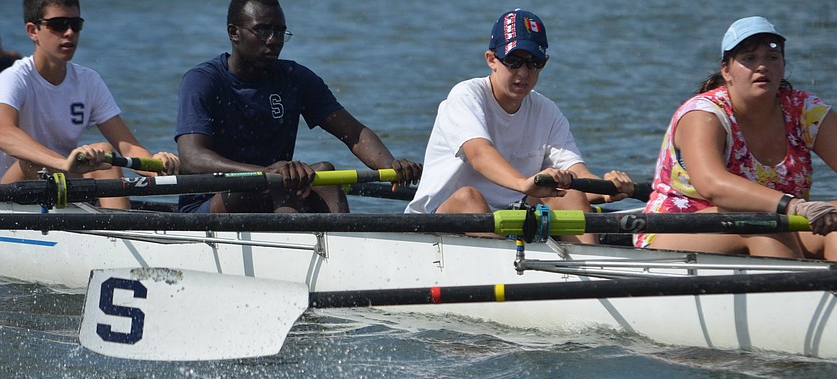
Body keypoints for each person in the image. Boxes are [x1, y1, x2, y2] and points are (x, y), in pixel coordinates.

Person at [404, 9, 633, 243]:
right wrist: (524, 184)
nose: (523, 73)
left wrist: (606, 189)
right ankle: (505, 261)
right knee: (469, 198)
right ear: (491, 60)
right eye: (513, 61)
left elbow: (577, 173)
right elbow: (479, 154)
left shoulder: (547, 111)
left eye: (534, 63)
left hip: (512, 217)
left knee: (569, 194)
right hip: (436, 223)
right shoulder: (466, 96)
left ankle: (586, 263)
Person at [175, 0, 421, 214]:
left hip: (277, 186)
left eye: (280, 32)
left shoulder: (295, 79)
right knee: (273, 183)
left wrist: (391, 165)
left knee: (324, 173)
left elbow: (354, 133)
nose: (274, 41)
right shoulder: (202, 81)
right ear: (234, 33)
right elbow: (192, 158)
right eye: (263, 31)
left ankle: (342, 244)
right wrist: (266, 173)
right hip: (208, 202)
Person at [636, 16, 837, 260]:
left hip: (778, 222)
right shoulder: (703, 114)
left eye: (772, 58)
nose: (762, 66)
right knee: (764, 225)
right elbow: (712, 185)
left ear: (783, 66)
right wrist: (793, 205)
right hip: (674, 229)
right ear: (727, 71)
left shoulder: (805, 110)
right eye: (749, 59)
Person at [0, 0, 179, 209]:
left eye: (75, 24)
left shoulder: (88, 81)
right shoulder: (13, 78)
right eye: (58, 25)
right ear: (33, 31)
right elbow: (4, 134)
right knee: (33, 162)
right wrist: (62, 163)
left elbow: (129, 147)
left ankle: (117, 225)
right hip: (0, 194)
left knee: (104, 154)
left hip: (59, 181)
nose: (69, 32)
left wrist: (157, 165)